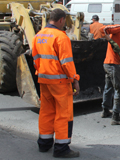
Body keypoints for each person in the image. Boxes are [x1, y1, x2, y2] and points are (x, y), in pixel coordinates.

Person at [32, 8, 81, 158]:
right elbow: (67, 62)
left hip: (44, 80)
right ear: (61, 20)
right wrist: (74, 79)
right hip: (59, 82)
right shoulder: (61, 37)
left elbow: (35, 59)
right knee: (63, 114)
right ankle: (61, 147)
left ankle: (44, 143)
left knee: (46, 111)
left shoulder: (38, 36)